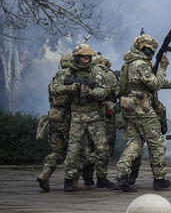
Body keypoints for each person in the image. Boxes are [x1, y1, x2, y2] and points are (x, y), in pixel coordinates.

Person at [115, 34, 171, 192]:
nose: (150, 53)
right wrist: (164, 67)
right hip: (142, 107)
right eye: (149, 50)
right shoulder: (141, 64)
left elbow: (146, 83)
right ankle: (159, 179)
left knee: (134, 143)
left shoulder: (130, 63)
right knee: (157, 143)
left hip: (130, 107)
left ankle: (122, 176)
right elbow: (155, 84)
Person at [50, 44, 114, 192]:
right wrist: (69, 88)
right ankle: (69, 180)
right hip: (77, 115)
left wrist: (92, 92)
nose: (87, 60)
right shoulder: (66, 73)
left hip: (95, 115)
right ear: (77, 57)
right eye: (84, 57)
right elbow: (54, 88)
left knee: (103, 149)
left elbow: (105, 90)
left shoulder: (97, 72)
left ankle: (102, 178)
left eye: (89, 57)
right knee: (74, 150)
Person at [36, 54, 73, 192]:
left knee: (57, 151)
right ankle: (72, 180)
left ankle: (45, 172)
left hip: (53, 117)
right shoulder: (71, 79)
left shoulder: (54, 80)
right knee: (74, 150)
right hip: (68, 118)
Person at [81, 54, 119, 186]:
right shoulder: (107, 74)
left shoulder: (86, 73)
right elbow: (117, 91)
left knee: (91, 146)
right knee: (105, 147)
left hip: (88, 114)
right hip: (106, 114)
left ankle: (88, 178)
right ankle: (100, 177)